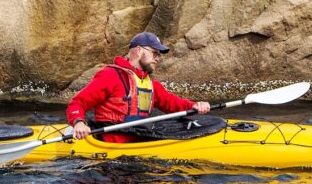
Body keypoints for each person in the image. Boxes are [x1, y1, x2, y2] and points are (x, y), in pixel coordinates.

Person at [66, 32, 211, 142]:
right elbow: (77, 103)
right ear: (139, 50)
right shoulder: (110, 76)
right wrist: (79, 123)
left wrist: (195, 106)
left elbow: (173, 104)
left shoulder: (151, 84)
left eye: (159, 55)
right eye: (155, 53)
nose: (158, 59)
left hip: (137, 141)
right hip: (110, 152)